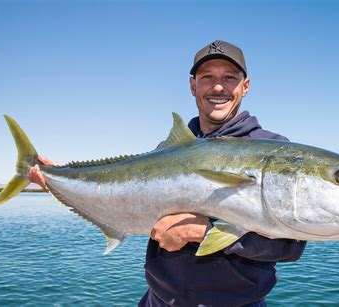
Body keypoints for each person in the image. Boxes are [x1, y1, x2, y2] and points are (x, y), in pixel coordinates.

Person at [30, 40, 307, 307]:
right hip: (157, 300)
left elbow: (289, 246)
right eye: (207, 77)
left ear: (245, 86)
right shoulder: (168, 150)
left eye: (230, 77)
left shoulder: (275, 149)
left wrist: (201, 230)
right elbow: (127, 195)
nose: (219, 86)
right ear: (192, 85)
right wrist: (60, 182)